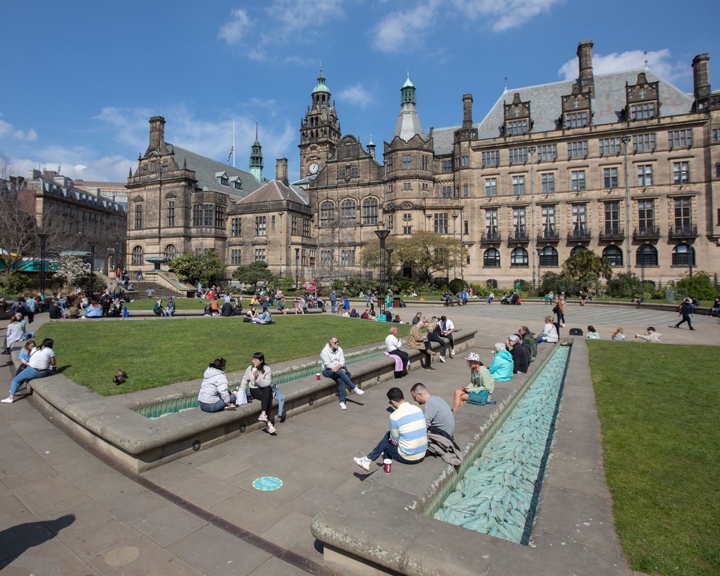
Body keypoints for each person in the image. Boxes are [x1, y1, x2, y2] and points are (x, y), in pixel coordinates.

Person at [353, 387, 426, 471]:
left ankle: (379, 466)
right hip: (422, 454)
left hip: (409, 457)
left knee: (386, 447)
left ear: (393, 402)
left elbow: (394, 440)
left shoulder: (394, 416)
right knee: (389, 438)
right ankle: (367, 459)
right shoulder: (417, 409)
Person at [3, 338, 56, 404]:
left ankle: (10, 397)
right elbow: (53, 363)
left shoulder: (35, 349)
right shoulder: (50, 351)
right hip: (43, 372)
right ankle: (13, 390)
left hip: (31, 371)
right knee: (22, 378)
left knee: (16, 380)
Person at [320, 337, 364, 410]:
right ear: (330, 343)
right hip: (327, 371)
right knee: (340, 372)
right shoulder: (324, 352)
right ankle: (354, 388)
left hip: (338, 369)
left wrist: (339, 366)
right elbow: (328, 365)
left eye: (338, 341)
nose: (337, 343)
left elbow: (342, 360)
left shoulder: (339, 349)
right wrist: (338, 368)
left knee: (341, 381)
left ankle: (342, 402)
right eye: (335, 342)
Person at [242, 352, 276, 434]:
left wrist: (257, 378)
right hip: (254, 389)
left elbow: (267, 383)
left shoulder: (267, 369)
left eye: (255, 360)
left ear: (261, 361)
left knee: (267, 389)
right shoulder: (250, 368)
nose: (253, 361)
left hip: (264, 388)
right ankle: (268, 423)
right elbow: (245, 379)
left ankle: (263, 414)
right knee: (268, 398)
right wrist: (241, 391)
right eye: (253, 359)